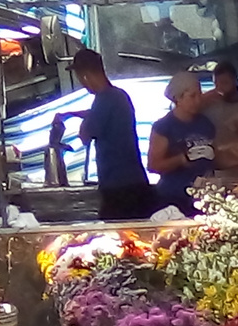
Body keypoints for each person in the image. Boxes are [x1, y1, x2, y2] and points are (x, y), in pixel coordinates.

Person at [68, 48, 151, 220]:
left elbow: (85, 136)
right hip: (135, 181)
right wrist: (72, 114)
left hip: (119, 186)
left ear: (85, 76)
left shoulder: (103, 99)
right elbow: (99, 115)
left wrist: (78, 122)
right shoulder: (118, 96)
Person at [149, 71, 217, 214]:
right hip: (173, 197)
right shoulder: (164, 127)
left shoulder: (206, 124)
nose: (198, 100)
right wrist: (181, 159)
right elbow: (153, 166)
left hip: (202, 197)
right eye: (192, 96)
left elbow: (215, 155)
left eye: (199, 95)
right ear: (177, 98)